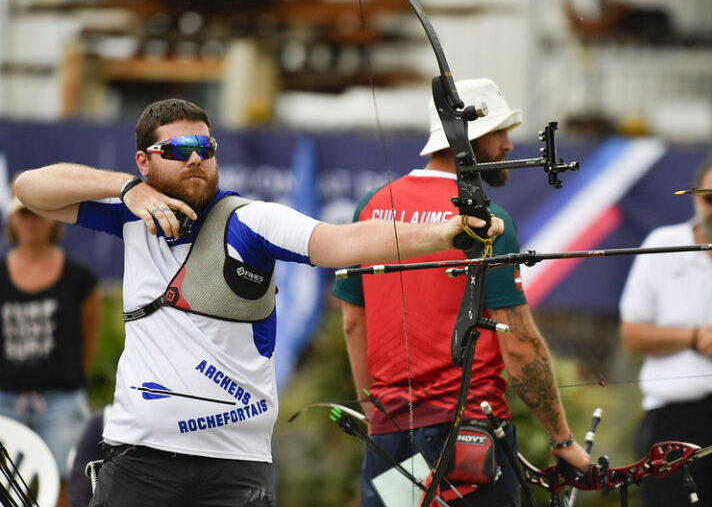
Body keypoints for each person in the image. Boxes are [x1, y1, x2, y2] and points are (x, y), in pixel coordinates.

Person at [13, 98, 503, 507]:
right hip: (140, 457)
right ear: (144, 161)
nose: (194, 158)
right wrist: (126, 189)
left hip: (236, 465)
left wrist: (445, 231)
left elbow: (344, 240)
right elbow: (29, 189)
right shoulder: (126, 214)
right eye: (178, 148)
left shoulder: (251, 220)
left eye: (205, 146)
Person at [332, 78, 590, 507]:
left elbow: (353, 322)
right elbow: (520, 347)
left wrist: (380, 415)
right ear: (465, 136)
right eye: (499, 132)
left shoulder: (372, 207)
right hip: (468, 440)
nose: (509, 145)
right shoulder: (487, 222)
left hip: (390, 439)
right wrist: (562, 441)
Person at [619, 154, 712, 507]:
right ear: (695, 198)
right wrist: (696, 338)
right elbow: (632, 334)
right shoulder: (662, 244)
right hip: (673, 419)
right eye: (710, 197)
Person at [0, 196, 101, 507]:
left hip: (61, 403)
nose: (31, 221)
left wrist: (68, 378)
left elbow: (89, 337)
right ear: (13, 220)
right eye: (24, 215)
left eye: (38, 214)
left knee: (65, 482)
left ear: (53, 219)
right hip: (4, 399)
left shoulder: (79, 277)